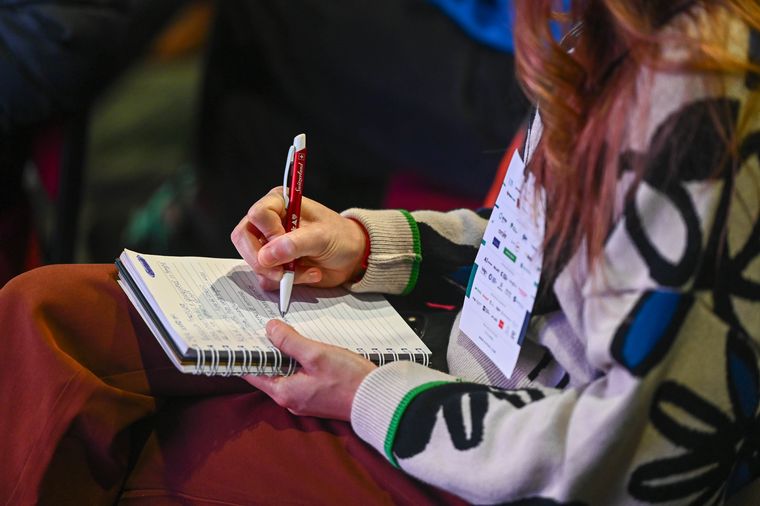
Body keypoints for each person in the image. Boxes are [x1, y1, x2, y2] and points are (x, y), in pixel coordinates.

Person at [1, 0, 759, 504]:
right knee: (43, 314)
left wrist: (373, 396)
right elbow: (540, 252)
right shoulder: (602, 33)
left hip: (496, 450)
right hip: (464, 366)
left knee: (145, 463)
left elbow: (631, 460)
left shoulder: (699, 106)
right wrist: (369, 247)